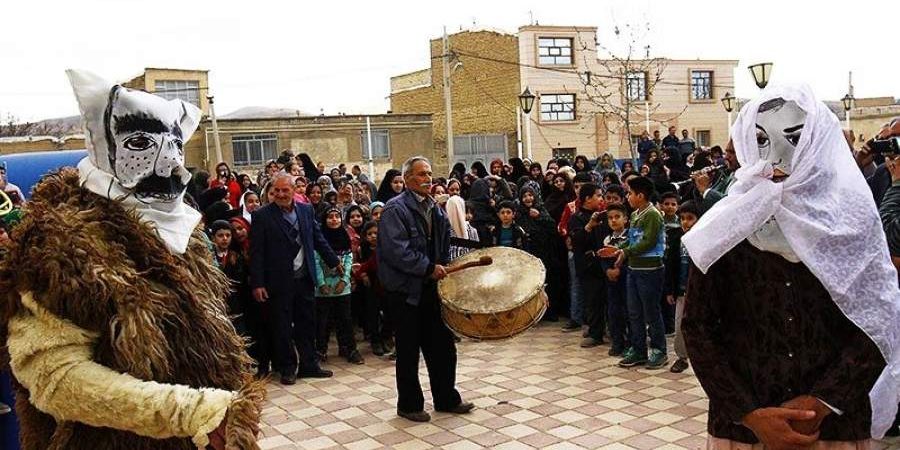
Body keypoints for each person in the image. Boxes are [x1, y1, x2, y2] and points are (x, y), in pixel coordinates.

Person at [0, 70, 263, 449]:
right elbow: (52, 378)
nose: (168, 162)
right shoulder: (59, 245)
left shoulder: (184, 233)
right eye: (141, 143)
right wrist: (187, 412)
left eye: (174, 144)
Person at [682, 85, 900, 447]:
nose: (777, 157)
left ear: (817, 141)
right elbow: (698, 327)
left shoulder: (852, 225)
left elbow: (878, 319)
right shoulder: (725, 227)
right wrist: (750, 414)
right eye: (761, 140)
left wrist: (821, 403)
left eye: (795, 139)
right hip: (744, 431)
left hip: (833, 429)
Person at [377, 156, 473, 422]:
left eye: (429, 174)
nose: (427, 179)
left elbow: (442, 244)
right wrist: (428, 267)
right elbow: (397, 252)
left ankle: (445, 398)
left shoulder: (435, 208)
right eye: (421, 174)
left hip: (431, 288)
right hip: (405, 291)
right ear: (407, 180)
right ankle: (408, 405)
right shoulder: (395, 210)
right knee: (408, 351)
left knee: (442, 347)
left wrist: (443, 266)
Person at [250, 173, 342, 385]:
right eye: (277, 191)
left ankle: (309, 365)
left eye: (286, 190)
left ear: (294, 191)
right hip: (278, 282)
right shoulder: (262, 216)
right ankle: (287, 367)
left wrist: (333, 261)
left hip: (304, 278)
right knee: (282, 326)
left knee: (307, 323)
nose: (281, 194)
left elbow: (317, 238)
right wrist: (258, 283)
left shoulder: (306, 210)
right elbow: (257, 253)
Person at [612, 176, 668, 369]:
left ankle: (659, 350)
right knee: (634, 312)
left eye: (630, 193)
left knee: (651, 312)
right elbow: (633, 240)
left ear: (640, 195)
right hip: (634, 269)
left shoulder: (652, 214)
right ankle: (638, 350)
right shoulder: (636, 214)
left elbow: (648, 242)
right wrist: (620, 248)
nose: (627, 197)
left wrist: (626, 251)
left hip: (650, 270)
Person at [314, 207, 363, 365]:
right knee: (323, 321)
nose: (334, 220)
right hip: (323, 289)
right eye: (330, 217)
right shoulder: (319, 239)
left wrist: (344, 280)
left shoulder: (344, 237)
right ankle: (321, 350)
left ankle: (349, 349)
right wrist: (321, 284)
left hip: (343, 287)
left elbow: (349, 259)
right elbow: (315, 263)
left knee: (345, 319)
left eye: (337, 216)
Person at [568, 182, 608, 348]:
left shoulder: (602, 216)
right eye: (597, 196)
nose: (601, 199)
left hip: (603, 264)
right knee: (591, 300)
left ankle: (602, 329)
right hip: (587, 265)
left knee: (603, 300)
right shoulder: (576, 218)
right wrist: (589, 227)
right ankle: (595, 333)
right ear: (586, 198)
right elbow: (576, 241)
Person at [663, 200, 699, 373]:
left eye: (690, 218)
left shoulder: (704, 237)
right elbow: (670, 265)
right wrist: (670, 289)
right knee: (679, 326)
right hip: (681, 290)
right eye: (682, 218)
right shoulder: (676, 237)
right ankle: (682, 357)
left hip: (700, 291)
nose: (685, 222)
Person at [600, 202, 630, 357]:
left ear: (625, 219)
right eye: (610, 218)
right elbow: (603, 258)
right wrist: (608, 271)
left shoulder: (630, 237)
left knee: (629, 312)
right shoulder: (607, 239)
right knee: (613, 312)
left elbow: (630, 258)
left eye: (617, 217)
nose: (613, 220)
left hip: (626, 280)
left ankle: (630, 343)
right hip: (612, 282)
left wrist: (620, 270)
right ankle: (617, 342)